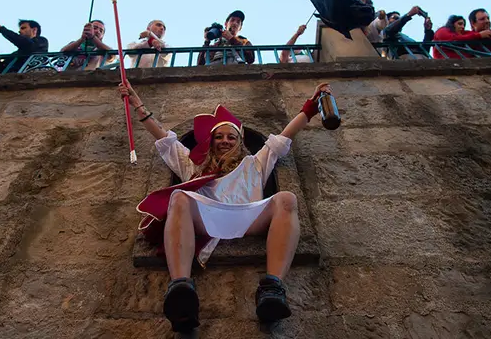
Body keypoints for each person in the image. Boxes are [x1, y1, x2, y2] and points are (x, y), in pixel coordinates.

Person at [120, 80, 333, 333]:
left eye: (231, 137)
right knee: (178, 197)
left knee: (286, 198)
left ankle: (273, 288)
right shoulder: (193, 166)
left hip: (248, 217)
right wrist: (138, 104)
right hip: (207, 218)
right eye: (219, 136)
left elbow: (284, 136)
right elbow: (165, 138)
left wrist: (311, 106)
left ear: (240, 142)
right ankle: (180, 287)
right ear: (211, 141)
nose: (224, 140)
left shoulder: (255, 163)